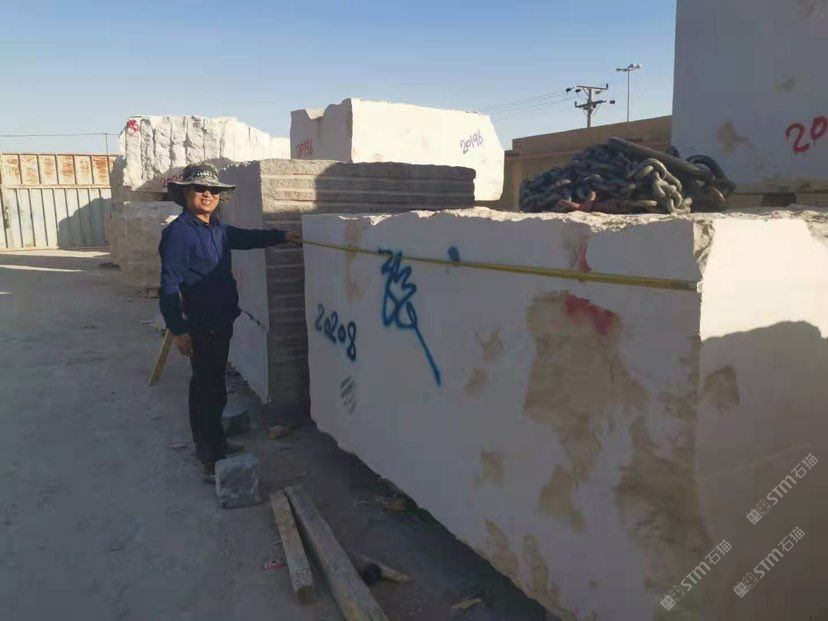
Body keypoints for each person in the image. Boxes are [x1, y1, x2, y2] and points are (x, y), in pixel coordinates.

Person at [158, 162, 300, 482]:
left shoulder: (216, 229)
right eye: (200, 189)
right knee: (205, 390)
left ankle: (217, 442)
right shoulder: (179, 233)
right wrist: (178, 329)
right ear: (186, 194)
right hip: (200, 325)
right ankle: (209, 456)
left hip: (222, 320)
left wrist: (283, 236)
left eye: (213, 190)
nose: (208, 194)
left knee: (215, 387)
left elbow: (247, 238)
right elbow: (168, 286)